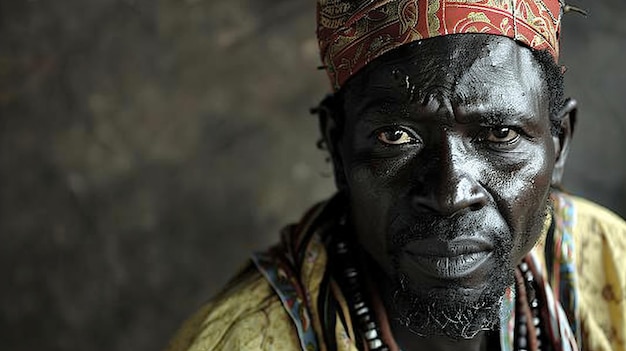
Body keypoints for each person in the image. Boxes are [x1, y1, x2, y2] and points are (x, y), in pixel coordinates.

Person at [166, 0, 626, 350]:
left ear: (558, 142)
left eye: (500, 133)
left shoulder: (613, 267)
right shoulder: (240, 339)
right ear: (336, 144)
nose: (450, 194)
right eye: (394, 137)